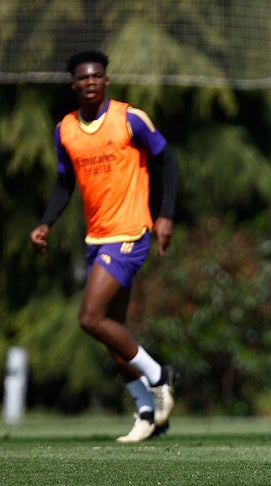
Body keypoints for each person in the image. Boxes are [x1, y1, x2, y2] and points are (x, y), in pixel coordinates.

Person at [29, 50, 178, 443]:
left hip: (129, 233)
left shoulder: (129, 118)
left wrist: (166, 215)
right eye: (83, 78)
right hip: (96, 238)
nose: (90, 82)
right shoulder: (65, 130)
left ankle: (159, 376)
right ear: (74, 85)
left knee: (90, 318)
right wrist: (45, 223)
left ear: (106, 81)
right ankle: (147, 412)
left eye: (97, 76)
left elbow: (169, 159)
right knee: (113, 331)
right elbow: (64, 184)